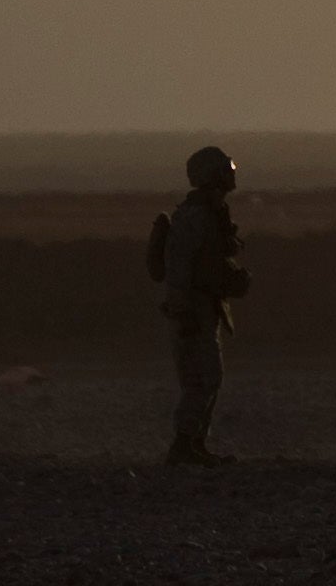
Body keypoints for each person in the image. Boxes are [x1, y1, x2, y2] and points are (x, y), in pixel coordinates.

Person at [150, 143, 251, 465]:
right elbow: (179, 267)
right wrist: (182, 311)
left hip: (204, 307)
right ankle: (184, 446)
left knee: (209, 378)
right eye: (226, 169)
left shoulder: (211, 214)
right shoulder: (195, 217)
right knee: (203, 379)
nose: (231, 175)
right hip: (193, 309)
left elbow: (212, 259)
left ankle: (195, 445)